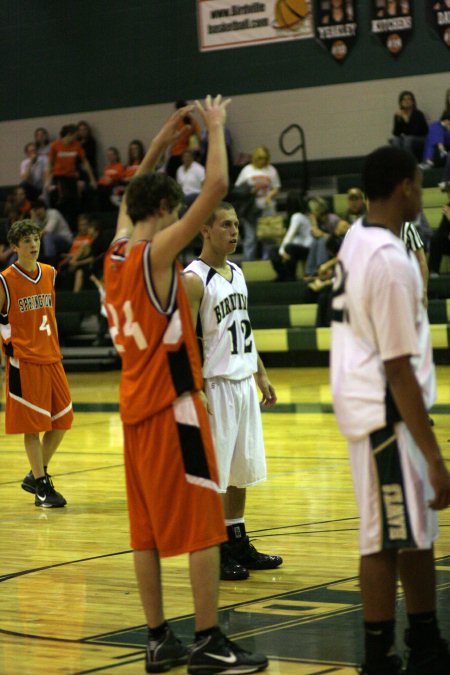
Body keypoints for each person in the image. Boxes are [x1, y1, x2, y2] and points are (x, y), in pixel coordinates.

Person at [103, 96, 268, 674]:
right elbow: (217, 184)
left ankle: (157, 639)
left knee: (145, 534)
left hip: (133, 414)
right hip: (174, 407)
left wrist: (160, 139)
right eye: (175, 212)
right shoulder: (156, 253)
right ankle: (207, 642)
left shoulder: (116, 250)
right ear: (167, 210)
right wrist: (215, 127)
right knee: (202, 526)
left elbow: (131, 194)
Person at [330, 145, 450, 675]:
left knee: (414, 534)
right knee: (384, 539)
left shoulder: (356, 238)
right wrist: (435, 455)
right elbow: (399, 369)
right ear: (403, 185)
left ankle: (425, 637)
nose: (421, 190)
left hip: (379, 411)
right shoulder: (388, 260)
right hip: (388, 418)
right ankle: (379, 656)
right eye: (418, 181)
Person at [184, 202, 282, 582]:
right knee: (216, 475)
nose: (234, 231)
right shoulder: (193, 278)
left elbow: (245, 329)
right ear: (205, 231)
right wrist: (195, 388)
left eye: (237, 224)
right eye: (226, 224)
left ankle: (236, 539)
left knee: (240, 471)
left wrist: (262, 374)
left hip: (242, 381)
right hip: (216, 385)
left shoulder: (238, 272)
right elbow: (186, 341)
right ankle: (215, 548)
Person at [0, 220, 73, 508]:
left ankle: (35, 474)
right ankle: (42, 487)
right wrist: (10, 354)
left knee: (63, 420)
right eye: (26, 240)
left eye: (35, 239)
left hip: (51, 356)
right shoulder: (5, 279)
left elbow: (51, 314)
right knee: (33, 427)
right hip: (25, 360)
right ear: (15, 247)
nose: (33, 244)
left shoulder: (50, 273)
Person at [45, 124, 97, 230]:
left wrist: (92, 179)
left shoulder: (77, 145)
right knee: (63, 202)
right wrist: (47, 181)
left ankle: (74, 229)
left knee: (75, 204)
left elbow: (85, 162)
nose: (76, 137)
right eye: (75, 135)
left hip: (71, 178)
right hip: (59, 178)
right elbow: (49, 164)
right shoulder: (55, 146)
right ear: (69, 134)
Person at [234, 146, 281, 261]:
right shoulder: (247, 170)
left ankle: (267, 261)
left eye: (265, 158)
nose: (262, 161)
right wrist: (251, 191)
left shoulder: (271, 170)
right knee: (251, 237)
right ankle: (249, 263)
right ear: (255, 158)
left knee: (267, 237)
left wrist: (270, 195)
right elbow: (238, 188)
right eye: (260, 158)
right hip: (251, 208)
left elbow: (276, 187)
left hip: (266, 207)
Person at [269, 190, 312, 281]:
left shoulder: (297, 216)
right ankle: (283, 275)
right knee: (273, 250)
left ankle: (291, 276)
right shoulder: (301, 216)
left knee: (288, 248)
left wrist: (282, 250)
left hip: (306, 249)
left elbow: (290, 236)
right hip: (298, 248)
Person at [166, 100, 202, 179]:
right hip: (180, 155)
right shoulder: (191, 121)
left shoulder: (174, 121)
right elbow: (200, 138)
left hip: (181, 155)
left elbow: (199, 138)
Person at [30, 199, 73, 265]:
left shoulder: (53, 213)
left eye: (39, 209)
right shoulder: (37, 218)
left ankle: (51, 264)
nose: (38, 212)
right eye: (35, 210)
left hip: (66, 241)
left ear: (44, 208)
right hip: (51, 246)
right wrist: (32, 219)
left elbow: (47, 231)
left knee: (47, 237)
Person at [390, 91, 428, 162]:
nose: (406, 101)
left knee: (408, 139)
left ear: (413, 102)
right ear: (401, 102)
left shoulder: (418, 114)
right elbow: (396, 133)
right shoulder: (399, 115)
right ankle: (398, 163)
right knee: (396, 140)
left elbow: (415, 131)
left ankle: (410, 163)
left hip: (421, 139)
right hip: (408, 138)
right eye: (404, 99)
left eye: (409, 99)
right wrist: (398, 120)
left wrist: (406, 120)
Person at [428, 181, 450, 275]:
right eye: (448, 192)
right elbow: (442, 230)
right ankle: (433, 272)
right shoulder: (448, 206)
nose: (449, 194)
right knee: (436, 240)